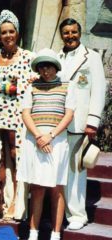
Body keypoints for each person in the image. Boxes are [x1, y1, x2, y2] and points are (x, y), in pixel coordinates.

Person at [0, 9, 37, 220]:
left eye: (12, 31)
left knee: (16, 157)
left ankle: (17, 203)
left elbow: (31, 84)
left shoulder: (29, 57)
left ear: (17, 33)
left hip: (18, 117)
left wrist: (2, 87)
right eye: (4, 32)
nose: (8, 36)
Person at [17, 48, 75, 240]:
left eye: (49, 67)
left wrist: (50, 135)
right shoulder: (31, 87)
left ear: (56, 67)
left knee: (57, 188)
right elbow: (26, 113)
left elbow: (68, 114)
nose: (46, 71)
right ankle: (33, 232)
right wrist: (38, 136)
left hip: (57, 141)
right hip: (35, 141)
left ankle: (56, 233)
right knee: (37, 187)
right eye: (42, 68)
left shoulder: (68, 86)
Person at [57, 18, 106, 230]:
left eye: (74, 32)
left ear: (80, 32)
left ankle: (77, 214)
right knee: (60, 169)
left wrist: (93, 121)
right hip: (57, 123)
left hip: (79, 122)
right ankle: (60, 210)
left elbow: (99, 90)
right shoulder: (55, 57)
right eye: (66, 33)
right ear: (62, 35)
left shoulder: (91, 58)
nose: (70, 36)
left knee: (76, 170)